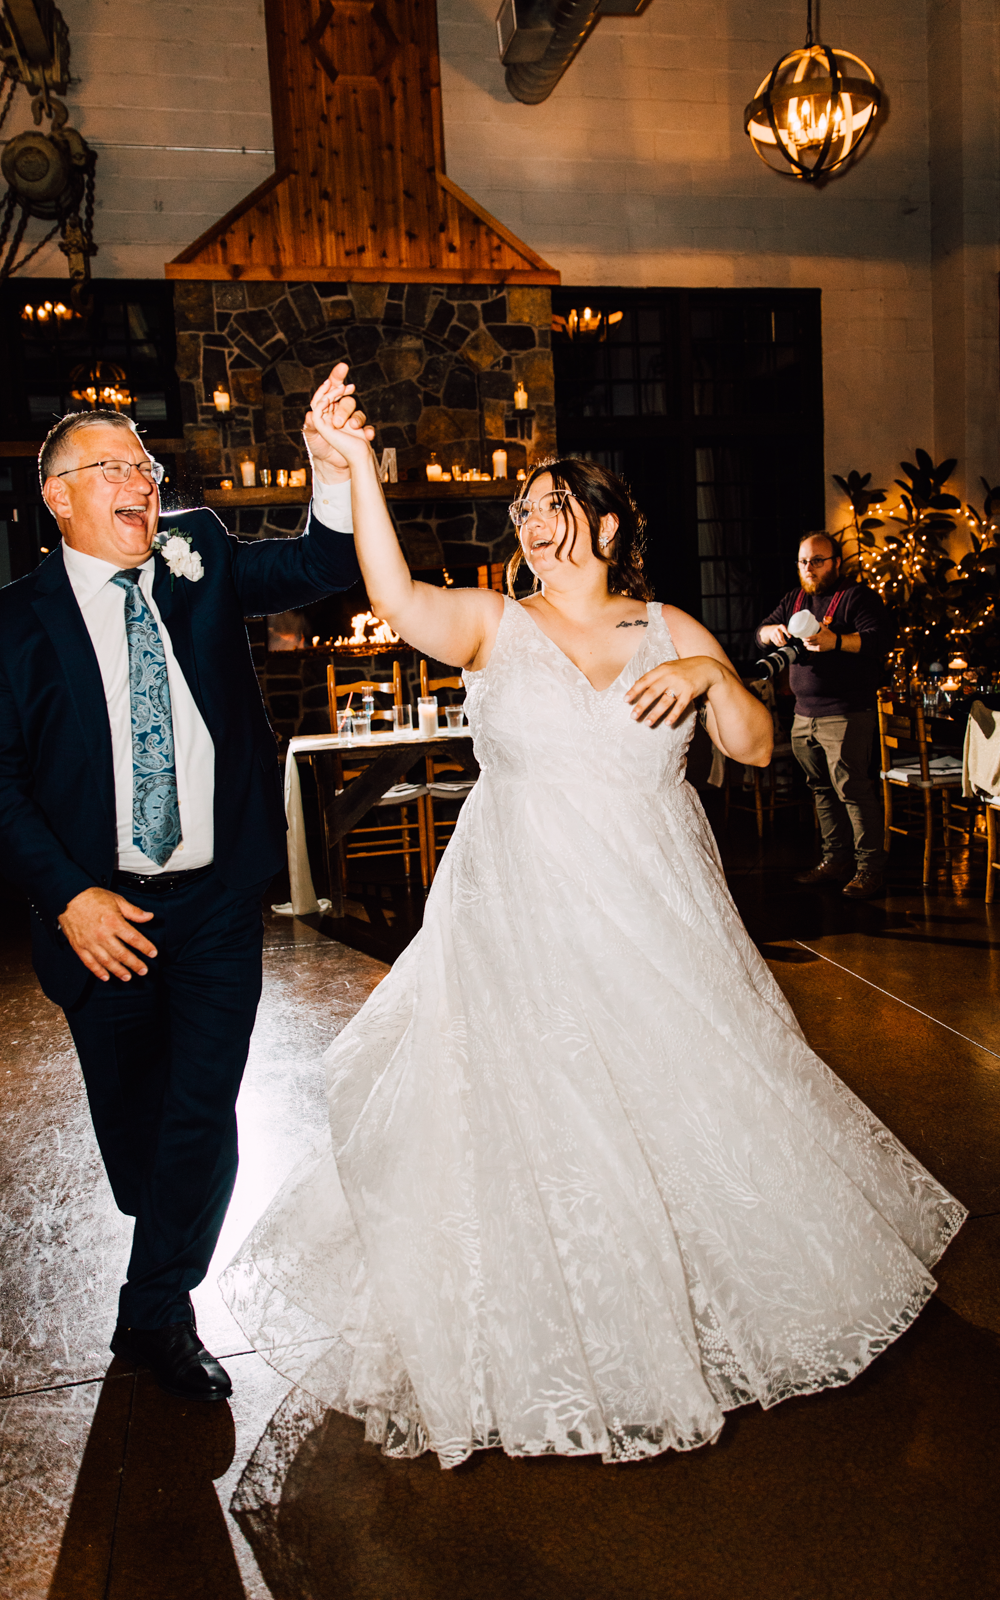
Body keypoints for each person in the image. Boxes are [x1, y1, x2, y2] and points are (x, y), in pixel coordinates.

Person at [221, 368, 964, 1469]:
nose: (529, 521)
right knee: (535, 1120)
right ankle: (552, 1329)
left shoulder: (666, 626)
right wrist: (358, 471)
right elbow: (393, 588)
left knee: (681, 1104)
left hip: (654, 912)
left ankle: (704, 1302)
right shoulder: (489, 622)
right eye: (519, 510)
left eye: (549, 502)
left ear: (608, 523)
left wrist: (712, 672)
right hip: (516, 913)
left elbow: (755, 747)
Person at [0, 380, 366, 1402]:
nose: (141, 480)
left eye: (146, 465)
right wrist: (69, 898)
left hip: (218, 899)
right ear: (57, 496)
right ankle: (163, 1225)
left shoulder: (201, 557)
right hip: (102, 914)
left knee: (200, 1108)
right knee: (141, 1135)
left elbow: (320, 562)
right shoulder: (4, 629)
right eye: (114, 466)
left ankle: (156, 1311)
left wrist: (327, 468)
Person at [756, 532, 892, 899]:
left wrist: (839, 642)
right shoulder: (795, 599)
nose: (809, 568)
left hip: (846, 713)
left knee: (853, 790)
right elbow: (761, 632)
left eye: (817, 560)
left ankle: (869, 869)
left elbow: (881, 640)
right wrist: (774, 633)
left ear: (836, 561)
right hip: (804, 714)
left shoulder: (856, 597)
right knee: (820, 790)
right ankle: (835, 861)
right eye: (803, 561)